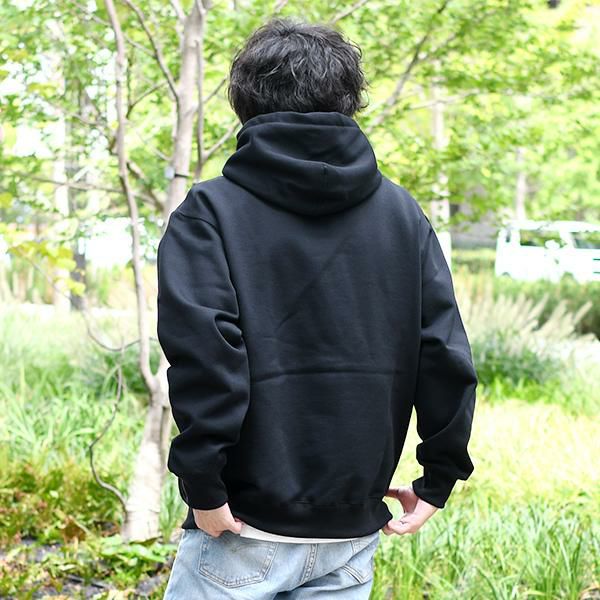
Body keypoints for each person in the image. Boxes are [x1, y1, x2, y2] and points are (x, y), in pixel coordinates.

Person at [157, 16, 478, 600]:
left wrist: (203, 486)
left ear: (244, 102)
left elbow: (207, 356)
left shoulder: (210, 213)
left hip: (243, 526)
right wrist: (439, 476)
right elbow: (445, 354)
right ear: (348, 100)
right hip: (349, 530)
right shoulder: (402, 215)